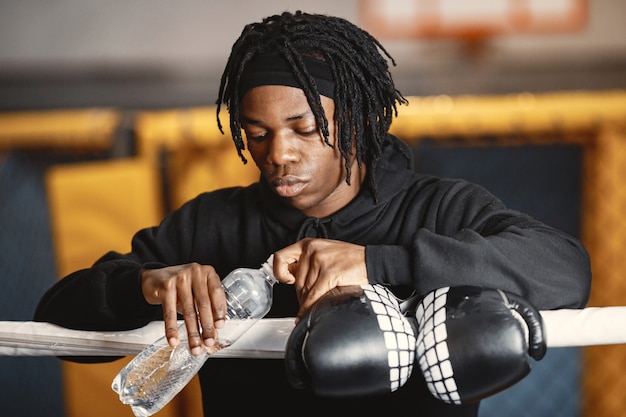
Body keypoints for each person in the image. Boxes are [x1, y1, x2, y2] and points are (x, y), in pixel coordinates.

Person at [34, 10, 592, 416]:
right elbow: (56, 315)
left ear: (356, 122)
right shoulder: (213, 223)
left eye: (305, 130)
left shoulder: (436, 207)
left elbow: (565, 270)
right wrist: (147, 287)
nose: (278, 155)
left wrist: (379, 265)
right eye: (257, 135)